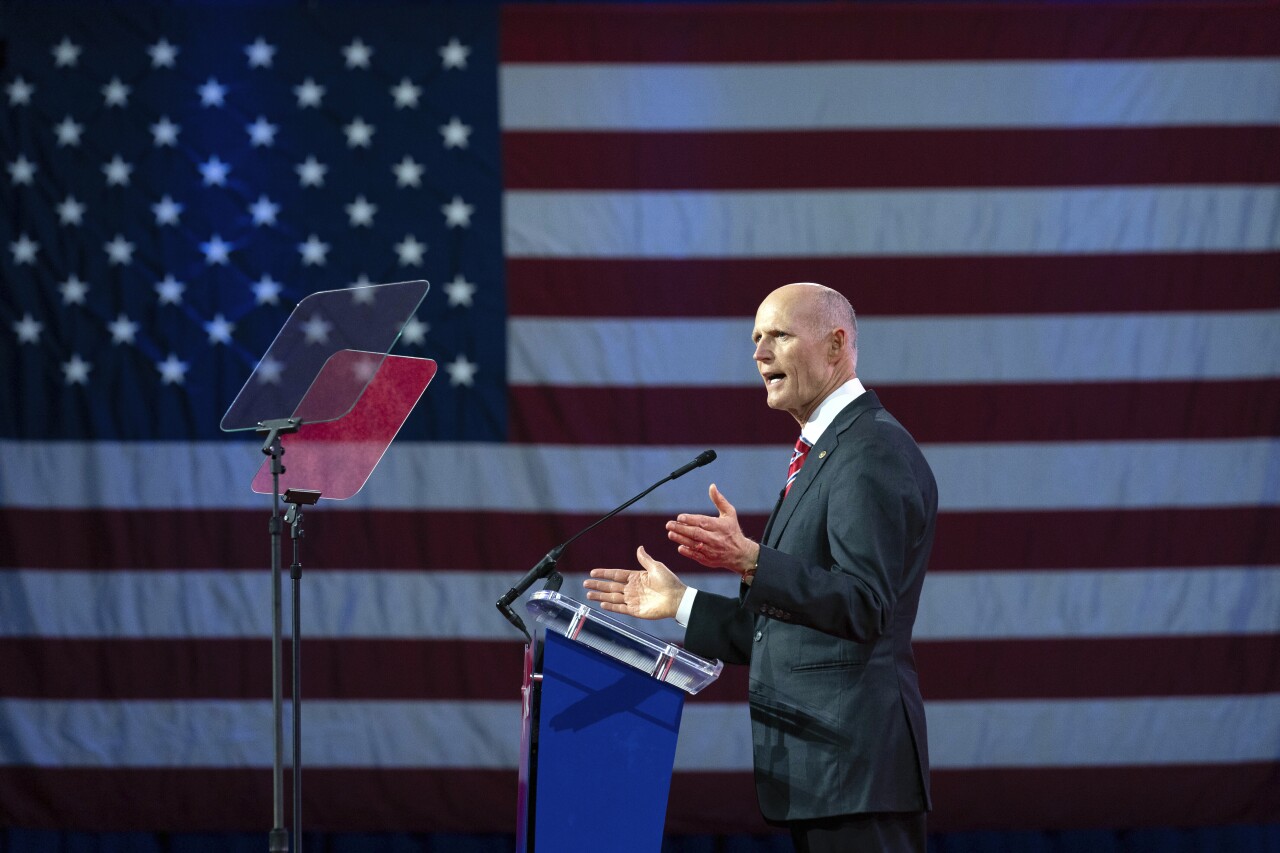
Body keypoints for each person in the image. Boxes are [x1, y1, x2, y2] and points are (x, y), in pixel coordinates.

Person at [583, 283, 937, 852]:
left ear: (835, 344)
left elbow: (866, 606)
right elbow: (780, 628)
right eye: (755, 339)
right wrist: (680, 604)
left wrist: (751, 560)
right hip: (825, 774)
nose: (759, 353)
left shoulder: (870, 451)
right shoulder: (826, 454)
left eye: (779, 336)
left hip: (857, 774)